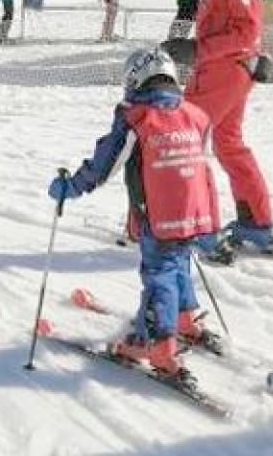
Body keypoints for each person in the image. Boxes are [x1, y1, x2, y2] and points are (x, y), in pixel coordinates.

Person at [46, 47, 221, 382]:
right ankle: (184, 318)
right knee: (179, 260)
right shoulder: (196, 115)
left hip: (161, 214)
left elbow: (106, 163)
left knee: (160, 272)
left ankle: (156, 344)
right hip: (196, 210)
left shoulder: (136, 117)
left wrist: (72, 186)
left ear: (135, 80)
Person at [178, 0, 273, 262]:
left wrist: (197, 49)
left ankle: (201, 228)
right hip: (230, 67)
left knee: (183, 140)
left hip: (222, 67)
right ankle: (256, 221)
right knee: (228, 143)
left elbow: (246, 31)